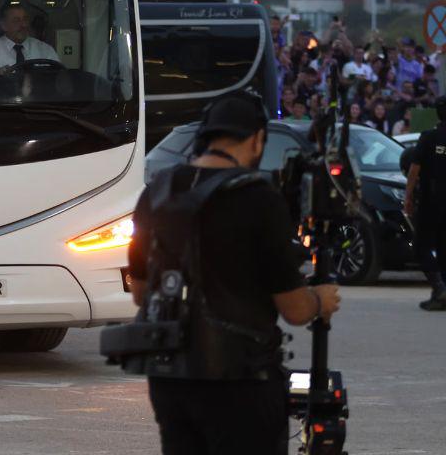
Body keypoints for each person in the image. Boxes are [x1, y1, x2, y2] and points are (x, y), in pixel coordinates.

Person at [126, 91, 340, 455]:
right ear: (257, 139)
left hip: (170, 378)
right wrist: (321, 299)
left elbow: (140, 292)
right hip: (240, 380)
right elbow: (295, 309)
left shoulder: (157, 190)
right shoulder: (258, 197)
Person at [404, 97, 446, 311]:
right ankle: (441, 294)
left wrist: (408, 196)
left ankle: (440, 289)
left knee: (421, 247)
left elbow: (414, 170)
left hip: (432, 200)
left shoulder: (429, 137)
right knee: (442, 246)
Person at [0, 2, 61, 83]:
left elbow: (60, 78)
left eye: (25, 19)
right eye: (16, 21)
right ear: (4, 26)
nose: (23, 25)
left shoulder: (45, 49)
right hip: (1, 101)